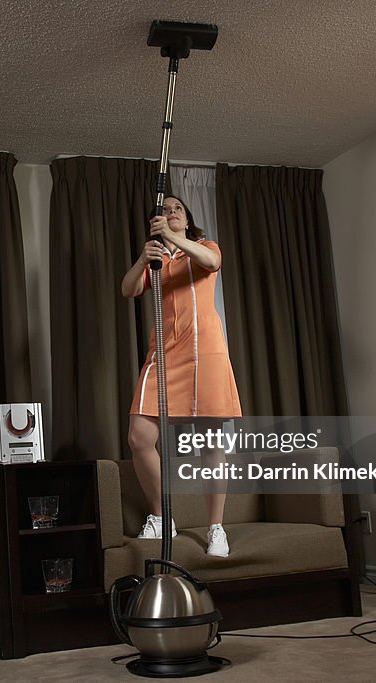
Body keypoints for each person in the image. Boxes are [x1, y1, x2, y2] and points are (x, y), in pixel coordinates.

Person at [120, 195, 242, 557]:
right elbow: (129, 289)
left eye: (178, 210)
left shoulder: (202, 247)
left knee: (210, 442)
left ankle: (216, 528)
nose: (171, 213)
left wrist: (174, 239)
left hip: (204, 351)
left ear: (187, 221)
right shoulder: (156, 260)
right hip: (163, 352)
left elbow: (213, 262)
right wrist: (145, 257)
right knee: (139, 436)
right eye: (164, 210)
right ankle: (161, 517)